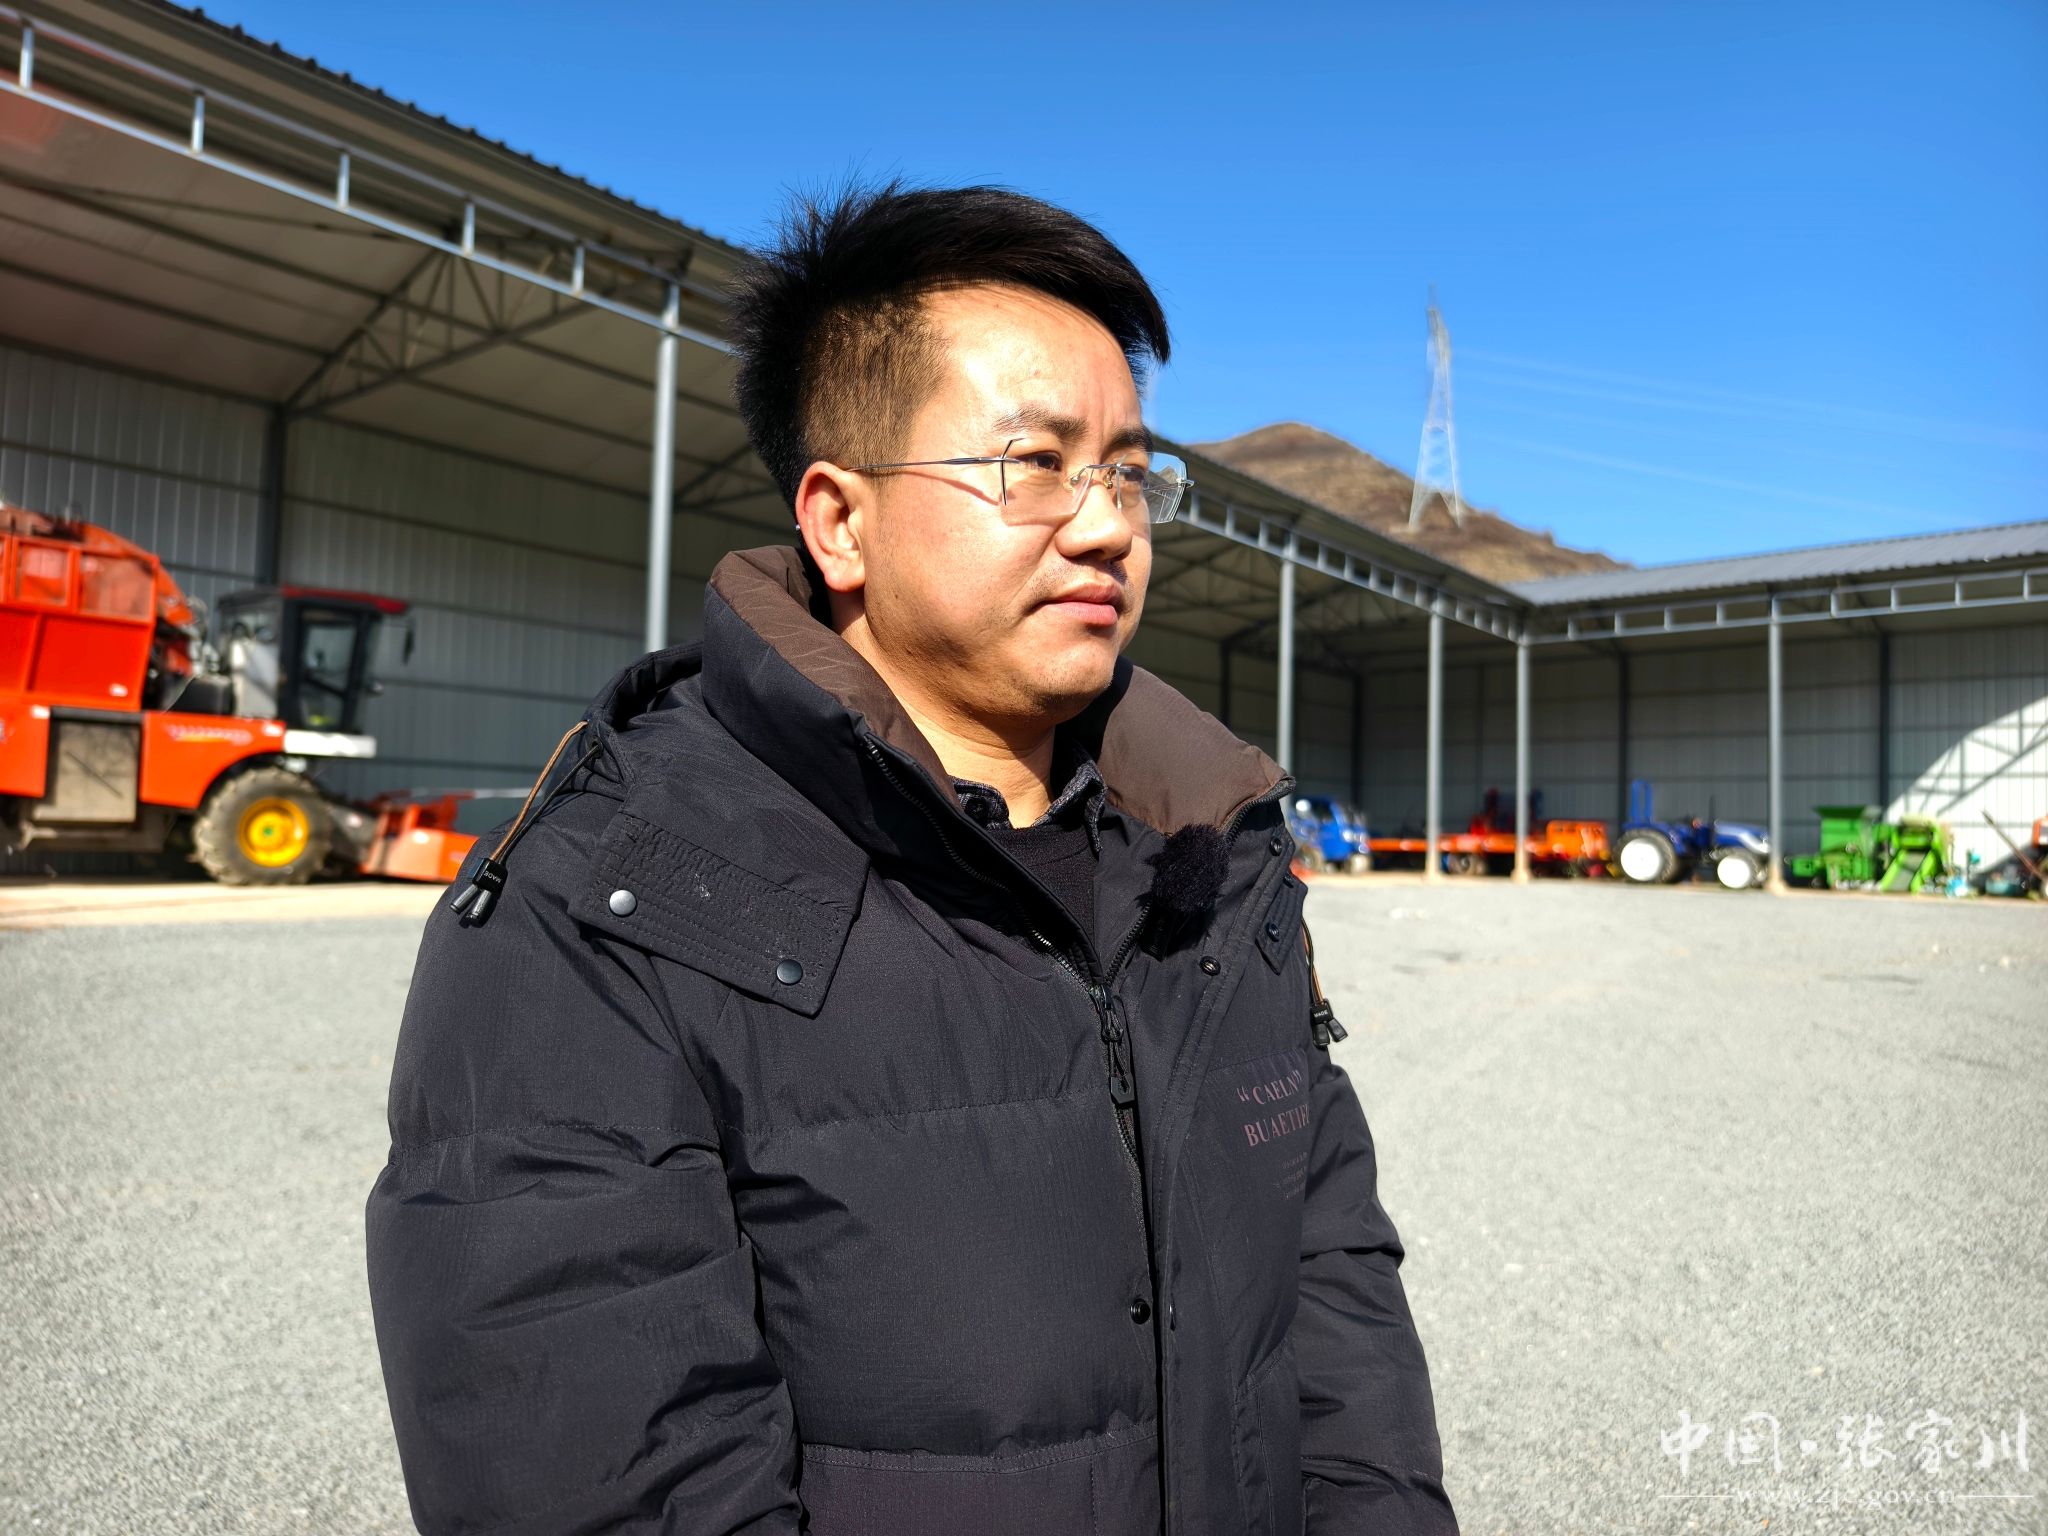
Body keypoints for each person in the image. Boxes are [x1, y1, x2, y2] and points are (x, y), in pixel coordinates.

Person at [365, 181, 1457, 1536]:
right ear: (840, 522)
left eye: (1128, 472)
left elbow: (1331, 1289)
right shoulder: (606, 903)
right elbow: (605, 1477)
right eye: (1034, 462)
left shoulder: (1214, 860)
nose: (1109, 525)